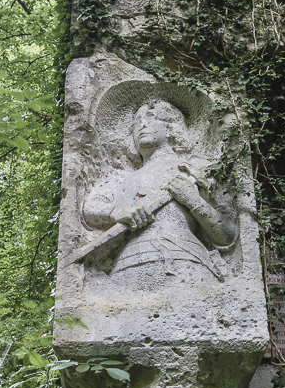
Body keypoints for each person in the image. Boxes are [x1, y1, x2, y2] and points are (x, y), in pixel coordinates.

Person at [83, 100, 237, 290]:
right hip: (126, 268)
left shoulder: (197, 169)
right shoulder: (123, 178)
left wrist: (193, 200)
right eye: (137, 122)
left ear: (171, 127)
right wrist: (117, 212)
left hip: (187, 264)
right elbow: (89, 209)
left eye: (152, 118)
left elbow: (227, 235)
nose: (142, 126)